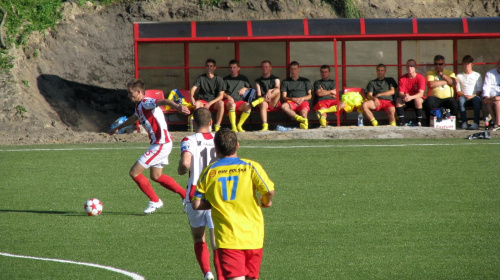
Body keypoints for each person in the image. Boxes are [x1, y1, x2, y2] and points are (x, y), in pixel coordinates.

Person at [192, 129, 275, 280]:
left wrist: (214, 202)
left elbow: (196, 204)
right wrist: (266, 202)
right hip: (253, 236)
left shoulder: (209, 171)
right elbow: (269, 191)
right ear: (237, 145)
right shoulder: (251, 166)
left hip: (228, 238)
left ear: (215, 149)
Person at [109, 79, 190, 214]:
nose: (129, 96)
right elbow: (133, 118)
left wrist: (177, 107)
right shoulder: (139, 105)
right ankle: (187, 196)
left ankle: (155, 200)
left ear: (139, 92)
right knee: (156, 176)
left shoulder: (146, 102)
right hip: (160, 143)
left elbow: (162, 102)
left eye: (130, 93)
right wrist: (118, 128)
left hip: (161, 144)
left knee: (134, 172)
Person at [178, 108, 220, 280]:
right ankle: (222, 276)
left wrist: (180, 169)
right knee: (217, 241)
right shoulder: (219, 138)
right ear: (211, 122)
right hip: (215, 193)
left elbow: (185, 164)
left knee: (198, 237)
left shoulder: (189, 139)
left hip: (195, 193)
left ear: (193, 122)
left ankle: (207, 273)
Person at [190, 59, 226, 132]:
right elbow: (193, 89)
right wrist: (191, 97)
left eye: (211, 66)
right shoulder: (201, 78)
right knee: (197, 103)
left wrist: (210, 103)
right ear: (205, 67)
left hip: (214, 102)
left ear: (214, 68)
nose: (209, 68)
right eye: (207, 66)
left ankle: (217, 126)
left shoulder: (219, 79)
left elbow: (221, 96)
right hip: (203, 100)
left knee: (221, 103)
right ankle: (199, 125)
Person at [423, 55, 459, 127]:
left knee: (454, 104)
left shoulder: (450, 73)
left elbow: (454, 83)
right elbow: (431, 84)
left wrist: (443, 75)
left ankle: (454, 123)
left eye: (440, 64)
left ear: (444, 64)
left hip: (447, 98)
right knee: (428, 103)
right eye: (436, 64)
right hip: (435, 98)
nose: (438, 66)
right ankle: (429, 122)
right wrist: (447, 81)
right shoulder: (430, 73)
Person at [223, 60, 253, 132]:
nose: (232, 69)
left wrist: (245, 88)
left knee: (248, 106)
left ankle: (239, 125)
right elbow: (221, 93)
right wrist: (227, 96)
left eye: (234, 67)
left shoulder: (243, 78)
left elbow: (251, 89)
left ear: (238, 68)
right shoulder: (225, 79)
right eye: (231, 68)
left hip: (240, 101)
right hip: (229, 101)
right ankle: (233, 127)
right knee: (232, 105)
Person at [281, 61, 312, 129]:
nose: (293, 71)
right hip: (292, 101)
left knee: (304, 113)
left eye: (295, 69)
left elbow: (310, 95)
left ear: (298, 69)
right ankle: (299, 118)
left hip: (303, 101)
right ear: (289, 70)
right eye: (291, 69)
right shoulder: (285, 82)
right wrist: (292, 99)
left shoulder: (305, 81)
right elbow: (284, 97)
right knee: (283, 106)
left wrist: (302, 98)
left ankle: (305, 127)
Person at [252, 60, 282, 131]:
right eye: (263, 67)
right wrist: (264, 98)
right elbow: (259, 94)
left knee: (277, 91)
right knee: (262, 103)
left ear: (270, 68)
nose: (265, 68)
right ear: (261, 68)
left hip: (273, 102)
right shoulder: (258, 81)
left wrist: (270, 91)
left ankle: (262, 100)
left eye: (266, 67)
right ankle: (265, 125)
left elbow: (277, 88)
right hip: (263, 102)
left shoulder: (276, 79)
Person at [396, 59, 426, 126]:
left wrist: (411, 97)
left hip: (416, 98)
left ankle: (419, 122)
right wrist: (404, 96)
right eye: (408, 66)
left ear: (415, 67)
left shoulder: (420, 78)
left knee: (417, 100)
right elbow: (400, 92)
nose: (410, 68)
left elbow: (421, 93)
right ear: (406, 67)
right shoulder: (402, 78)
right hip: (406, 98)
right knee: (398, 100)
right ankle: (401, 122)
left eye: (412, 66)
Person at [456, 55, 483, 130]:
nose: (466, 65)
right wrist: (464, 95)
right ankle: (464, 122)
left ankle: (476, 123)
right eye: (464, 63)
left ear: (472, 64)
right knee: (461, 100)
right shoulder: (459, 76)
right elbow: (458, 90)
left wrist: (472, 96)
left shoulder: (477, 75)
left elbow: (479, 90)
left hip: (474, 96)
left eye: (468, 63)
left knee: (477, 100)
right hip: (464, 96)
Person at [482, 58, 500, 131]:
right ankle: (495, 122)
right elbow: (486, 87)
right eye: (499, 63)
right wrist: (486, 97)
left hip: (497, 98)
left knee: (497, 102)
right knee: (489, 103)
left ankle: (498, 123)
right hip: (492, 98)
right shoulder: (489, 73)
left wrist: (497, 98)